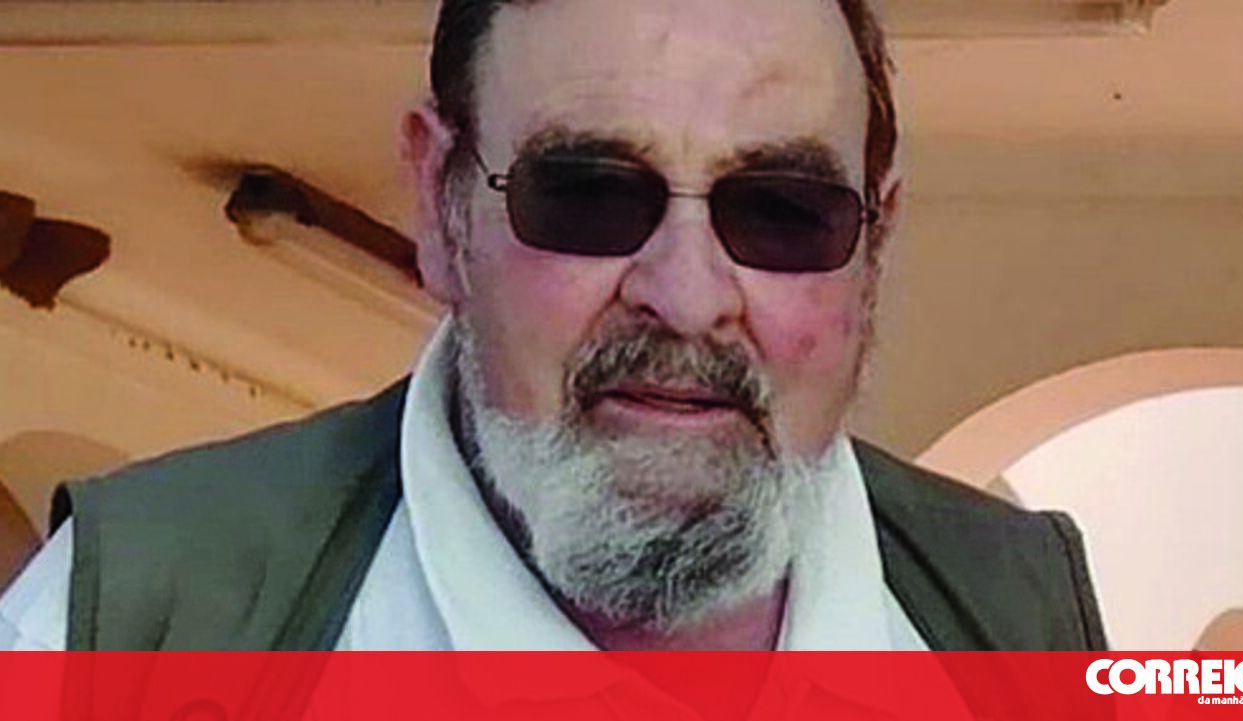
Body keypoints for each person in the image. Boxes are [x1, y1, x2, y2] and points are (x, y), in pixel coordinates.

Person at [0, 0, 1106, 655]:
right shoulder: (126, 625)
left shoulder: (1016, 619)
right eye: (588, 194)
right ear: (439, 204)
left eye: (778, 209)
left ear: (875, 240)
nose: (687, 294)